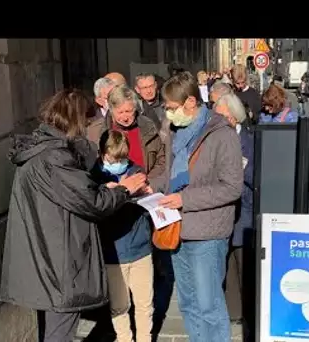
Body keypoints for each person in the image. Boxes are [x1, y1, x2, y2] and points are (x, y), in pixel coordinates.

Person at [0, 89, 148, 342]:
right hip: (58, 263)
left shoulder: (42, 151)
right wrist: (125, 188)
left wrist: (101, 189)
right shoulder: (55, 157)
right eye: (86, 122)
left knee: (53, 330)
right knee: (60, 333)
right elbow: (93, 203)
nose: (88, 128)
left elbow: (75, 194)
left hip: (47, 257)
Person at [150, 71, 243, 342]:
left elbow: (231, 187)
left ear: (191, 102)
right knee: (189, 304)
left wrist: (184, 200)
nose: (167, 112)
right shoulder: (175, 131)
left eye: (171, 107)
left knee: (208, 305)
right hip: (177, 228)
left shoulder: (221, 133)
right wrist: (151, 185)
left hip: (207, 234)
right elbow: (170, 175)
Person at [90, 129, 154, 342]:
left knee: (145, 303)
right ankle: (125, 339)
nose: (118, 162)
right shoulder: (94, 177)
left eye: (122, 158)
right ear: (102, 153)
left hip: (140, 247)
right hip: (112, 252)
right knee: (119, 305)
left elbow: (147, 204)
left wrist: (147, 194)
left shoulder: (135, 171)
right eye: (113, 158)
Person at [212, 93, 254, 329]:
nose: (219, 122)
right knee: (226, 267)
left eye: (223, 118)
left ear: (235, 118)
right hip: (219, 213)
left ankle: (248, 313)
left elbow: (256, 177)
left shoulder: (250, 141)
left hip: (244, 212)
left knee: (244, 266)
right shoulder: (214, 139)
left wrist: (238, 167)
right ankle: (233, 312)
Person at [88, 77, 117, 145]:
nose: (114, 100)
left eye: (115, 95)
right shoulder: (91, 124)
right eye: (109, 97)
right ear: (99, 101)